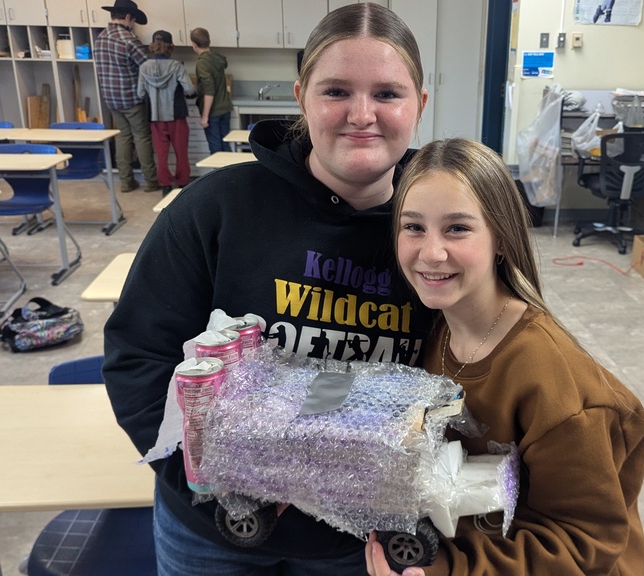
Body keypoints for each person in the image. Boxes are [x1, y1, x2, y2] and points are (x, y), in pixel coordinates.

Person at [102, 4, 432, 574]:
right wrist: (214, 482)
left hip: (360, 544)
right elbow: (140, 360)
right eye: (336, 91)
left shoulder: (443, 232)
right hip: (213, 531)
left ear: (419, 105)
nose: (361, 115)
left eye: (387, 93)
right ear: (301, 97)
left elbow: (485, 368)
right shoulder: (214, 210)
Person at [364, 138, 644, 575]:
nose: (431, 252)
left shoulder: (550, 378)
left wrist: (445, 569)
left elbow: (584, 544)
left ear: (501, 238)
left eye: (457, 228)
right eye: (413, 227)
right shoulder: (438, 329)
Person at [93, 0, 159, 192]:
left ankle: (126, 181)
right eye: (134, 20)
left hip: (111, 99)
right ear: (128, 17)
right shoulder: (129, 40)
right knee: (142, 137)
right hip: (131, 98)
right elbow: (147, 68)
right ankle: (150, 181)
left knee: (123, 137)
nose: (134, 24)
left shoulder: (100, 38)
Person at [138, 29, 196, 194]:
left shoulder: (144, 67)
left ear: (153, 45)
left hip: (156, 118)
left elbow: (140, 93)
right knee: (181, 152)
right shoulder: (176, 66)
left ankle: (165, 185)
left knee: (161, 154)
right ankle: (183, 183)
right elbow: (190, 89)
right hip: (176, 115)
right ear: (170, 46)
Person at [190, 27, 233, 154]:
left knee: (216, 150)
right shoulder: (217, 59)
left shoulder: (202, 63)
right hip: (225, 108)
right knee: (225, 146)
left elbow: (209, 91)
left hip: (213, 111)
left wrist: (204, 116)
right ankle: (230, 173)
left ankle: (220, 174)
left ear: (194, 44)